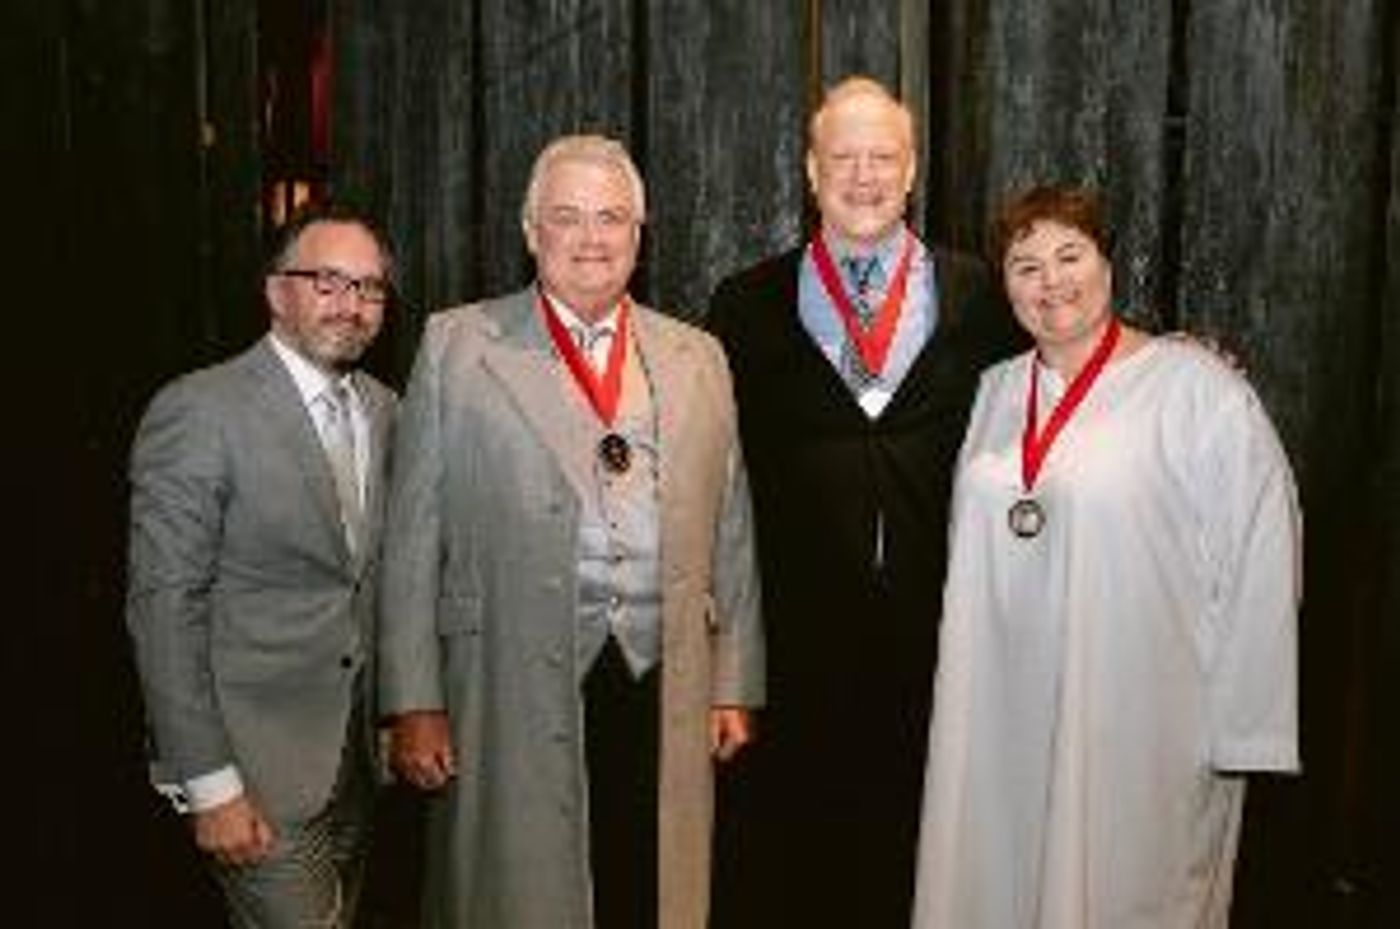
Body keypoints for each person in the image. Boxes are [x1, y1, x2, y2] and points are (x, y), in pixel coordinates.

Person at [377, 133, 763, 929]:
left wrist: (735, 679)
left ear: (639, 233)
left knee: (648, 885)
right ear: (530, 231)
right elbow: (411, 538)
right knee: (519, 894)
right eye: (568, 217)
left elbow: (732, 524)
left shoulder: (700, 354)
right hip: (508, 674)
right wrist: (412, 698)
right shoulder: (457, 345)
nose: (592, 238)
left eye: (612, 218)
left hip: (662, 672)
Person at [911, 184, 1301, 928]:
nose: (1051, 280)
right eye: (1026, 265)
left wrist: (1245, 727)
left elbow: (1261, 551)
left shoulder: (1196, 389)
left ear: (1109, 266)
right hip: (999, 709)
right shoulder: (995, 391)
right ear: (1005, 288)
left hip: (1143, 714)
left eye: (1069, 255)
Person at [705, 77, 1022, 927]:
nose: (864, 174)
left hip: (941, 642)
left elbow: (1058, 391)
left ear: (912, 168)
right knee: (795, 871)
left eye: (883, 155)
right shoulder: (744, 304)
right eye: (842, 156)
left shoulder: (983, 296)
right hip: (796, 650)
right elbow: (712, 480)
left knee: (926, 865)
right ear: (810, 171)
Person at [125, 203, 398, 927]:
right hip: (253, 774)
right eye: (329, 282)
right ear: (278, 292)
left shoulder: (386, 410)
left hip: (355, 769)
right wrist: (209, 784)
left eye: (370, 289)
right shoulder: (199, 410)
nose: (353, 305)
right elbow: (163, 608)